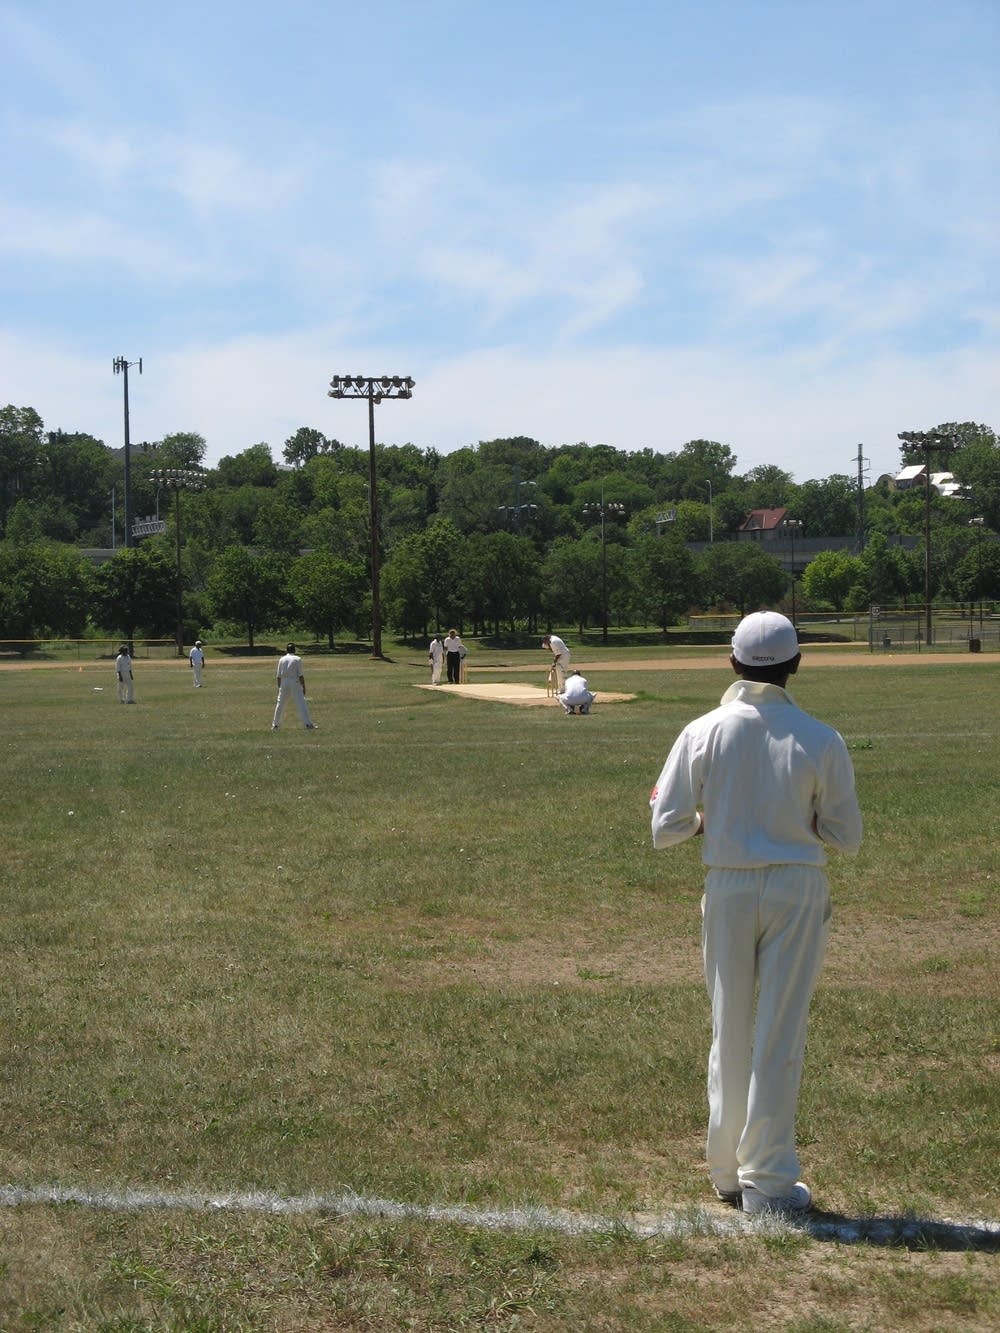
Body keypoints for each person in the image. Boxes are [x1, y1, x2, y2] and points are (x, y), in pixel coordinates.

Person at [649, 611, 862, 1217]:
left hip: (728, 885)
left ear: (732, 661)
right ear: (796, 663)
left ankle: (726, 1170)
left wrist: (706, 821)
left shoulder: (703, 731)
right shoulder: (821, 737)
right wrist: (806, 819)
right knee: (779, 1032)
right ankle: (766, 1181)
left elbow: (664, 826)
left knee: (730, 1027)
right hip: (797, 885)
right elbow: (847, 836)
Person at [271, 643, 318, 730]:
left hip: (284, 682)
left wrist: (279, 687)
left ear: (286, 650)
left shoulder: (282, 659)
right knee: (301, 703)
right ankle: (308, 724)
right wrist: (303, 686)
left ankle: (275, 725)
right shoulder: (297, 659)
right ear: (294, 650)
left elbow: (278, 676)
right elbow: (300, 675)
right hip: (294, 681)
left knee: (280, 704)